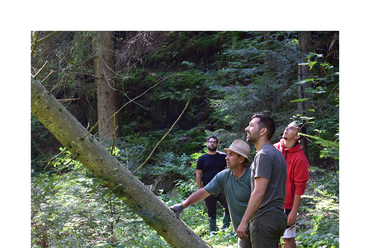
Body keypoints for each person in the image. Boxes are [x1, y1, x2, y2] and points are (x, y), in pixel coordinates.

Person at [170, 140, 253, 248]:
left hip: (258, 228)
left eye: (231, 155)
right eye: (227, 155)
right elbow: (204, 192)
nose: (226, 158)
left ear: (241, 159)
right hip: (242, 232)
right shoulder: (224, 176)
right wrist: (182, 205)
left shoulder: (252, 177)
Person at [238, 113, 287, 248]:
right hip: (277, 217)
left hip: (265, 218)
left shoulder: (263, 155)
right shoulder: (277, 153)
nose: (247, 128)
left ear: (263, 131)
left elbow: (259, 192)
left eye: (252, 125)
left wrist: (244, 221)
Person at [274, 122, 310, 248]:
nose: (286, 129)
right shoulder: (275, 148)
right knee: (273, 239)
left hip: (287, 206)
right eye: (287, 127)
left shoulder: (300, 158)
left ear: (297, 136)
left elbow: (300, 187)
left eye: (291, 128)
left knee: (288, 239)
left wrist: (293, 211)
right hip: (270, 202)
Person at [195, 135, 230, 234]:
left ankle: (226, 227)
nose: (212, 143)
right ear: (207, 144)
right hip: (207, 188)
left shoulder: (223, 156)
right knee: (211, 210)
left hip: (222, 188)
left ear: (217, 144)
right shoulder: (202, 159)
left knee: (229, 206)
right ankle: (212, 230)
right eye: (210, 142)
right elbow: (198, 174)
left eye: (214, 142)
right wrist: (200, 189)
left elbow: (229, 169)